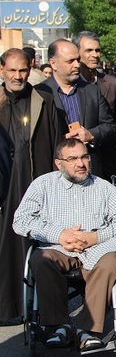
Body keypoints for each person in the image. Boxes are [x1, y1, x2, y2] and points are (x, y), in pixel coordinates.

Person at [12, 138, 116, 349]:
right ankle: (58, 326)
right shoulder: (43, 185)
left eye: (84, 157)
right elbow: (21, 220)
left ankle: (87, 330)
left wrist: (94, 237)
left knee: (111, 264)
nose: (81, 163)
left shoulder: (104, 188)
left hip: (98, 248)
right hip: (58, 247)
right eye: (73, 159)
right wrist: (59, 235)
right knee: (40, 260)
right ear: (59, 163)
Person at [0, 49, 66, 321]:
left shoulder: (44, 101)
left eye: (22, 70)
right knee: (5, 248)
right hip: (5, 186)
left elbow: (57, 146)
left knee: (32, 246)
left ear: (30, 70)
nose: (18, 76)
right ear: (2, 70)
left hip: (34, 182)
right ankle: (6, 308)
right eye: (12, 70)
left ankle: (33, 308)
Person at [36, 39, 116, 181]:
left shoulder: (92, 91)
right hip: (55, 173)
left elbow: (110, 126)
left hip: (89, 171)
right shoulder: (40, 93)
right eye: (70, 61)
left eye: (78, 60)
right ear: (53, 63)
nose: (77, 65)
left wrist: (91, 135)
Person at [72, 31, 116, 119]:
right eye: (89, 50)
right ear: (77, 52)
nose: (95, 55)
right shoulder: (70, 84)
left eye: (97, 50)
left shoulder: (113, 84)